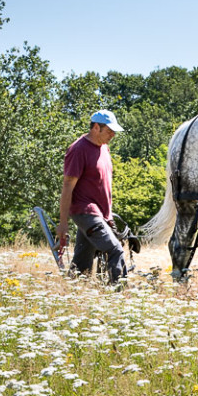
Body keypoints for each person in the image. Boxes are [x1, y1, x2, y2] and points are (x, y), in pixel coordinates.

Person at [56, 110, 128, 285]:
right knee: (115, 250)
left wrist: (108, 215)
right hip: (85, 211)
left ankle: (75, 293)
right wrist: (63, 223)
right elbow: (67, 186)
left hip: (101, 213)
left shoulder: (104, 148)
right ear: (96, 127)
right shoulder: (78, 149)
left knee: (82, 262)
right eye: (109, 130)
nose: (113, 134)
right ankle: (117, 293)